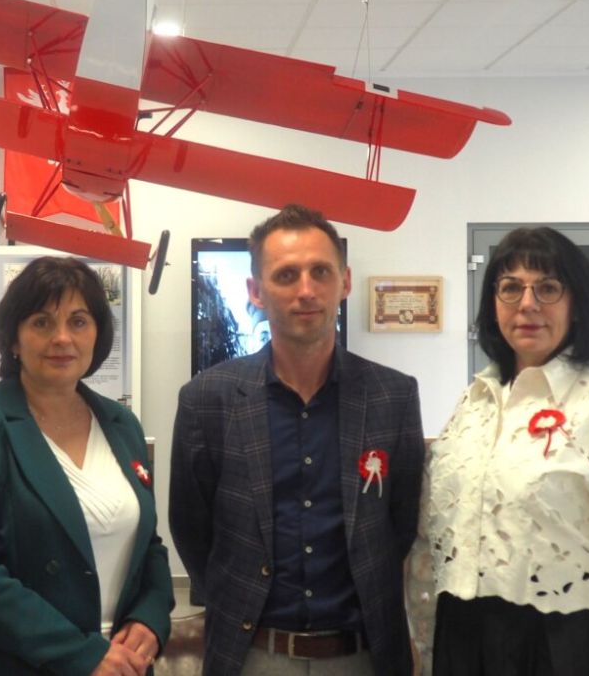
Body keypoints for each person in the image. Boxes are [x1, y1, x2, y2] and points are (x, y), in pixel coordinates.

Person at [170, 204, 425, 676]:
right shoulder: (207, 400)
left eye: (320, 272)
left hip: (363, 656)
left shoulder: (393, 395)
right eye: (286, 275)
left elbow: (402, 523)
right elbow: (191, 527)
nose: (306, 290)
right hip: (251, 656)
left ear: (344, 282)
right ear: (256, 291)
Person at [407, 227, 589, 675]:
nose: (527, 304)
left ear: (577, 303)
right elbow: (433, 535)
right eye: (511, 288)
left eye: (547, 288)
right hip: (462, 637)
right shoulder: (477, 400)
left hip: (560, 645)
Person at [0, 256, 174, 675]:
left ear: (98, 334)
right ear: (14, 338)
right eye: (42, 322)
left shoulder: (122, 424)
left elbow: (148, 546)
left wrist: (150, 619)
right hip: (30, 663)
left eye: (78, 322)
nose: (62, 338)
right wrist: (83, 655)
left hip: (124, 665)